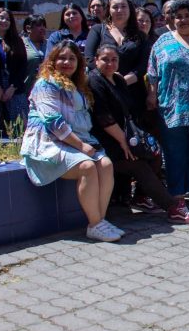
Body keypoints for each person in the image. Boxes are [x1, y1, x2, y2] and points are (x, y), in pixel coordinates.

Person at [89, 45, 189, 224]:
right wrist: (123, 142)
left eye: (114, 59)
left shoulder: (117, 80)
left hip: (124, 136)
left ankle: (141, 197)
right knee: (138, 165)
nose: (110, 63)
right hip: (106, 141)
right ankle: (173, 207)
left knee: (155, 154)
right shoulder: (95, 81)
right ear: (96, 60)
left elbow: (128, 112)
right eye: (105, 59)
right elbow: (105, 118)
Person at [20, 40, 119, 242]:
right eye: (62, 58)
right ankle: (95, 223)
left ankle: (99, 220)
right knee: (87, 167)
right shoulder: (45, 84)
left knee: (106, 165)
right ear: (52, 61)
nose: (67, 62)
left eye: (72, 58)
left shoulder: (78, 86)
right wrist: (82, 146)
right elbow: (53, 123)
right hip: (49, 142)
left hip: (75, 140)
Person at [147, 0, 189, 209]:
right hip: (171, 108)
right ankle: (176, 193)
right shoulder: (162, 42)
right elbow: (152, 73)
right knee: (174, 153)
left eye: (187, 16)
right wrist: (151, 96)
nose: (183, 20)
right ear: (171, 19)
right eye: (178, 16)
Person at [84, 0, 150, 115]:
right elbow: (89, 58)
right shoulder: (98, 30)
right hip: (104, 89)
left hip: (133, 91)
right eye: (115, 7)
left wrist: (122, 81)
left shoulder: (141, 36)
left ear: (130, 9)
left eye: (123, 6)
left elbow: (144, 64)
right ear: (108, 9)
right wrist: (110, 79)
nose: (119, 10)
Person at [21, 14, 47, 94]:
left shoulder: (49, 44)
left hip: (45, 92)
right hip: (25, 91)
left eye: (44, 26)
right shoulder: (21, 44)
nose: (42, 28)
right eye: (38, 25)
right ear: (28, 28)